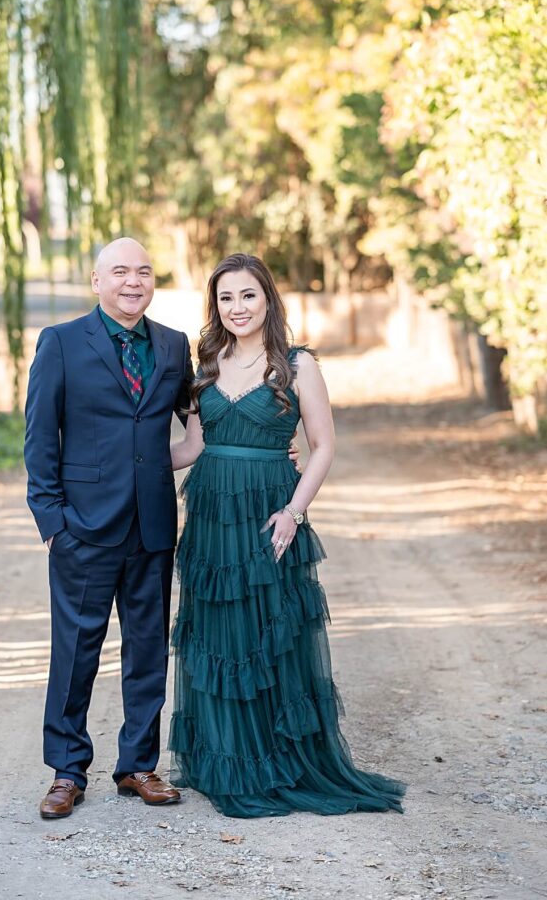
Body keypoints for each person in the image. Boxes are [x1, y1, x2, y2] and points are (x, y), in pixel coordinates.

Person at [168, 253, 406, 818]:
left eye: (248, 295)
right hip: (211, 512)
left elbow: (322, 445)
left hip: (271, 510)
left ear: (268, 299)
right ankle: (225, 758)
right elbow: (193, 447)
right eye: (226, 298)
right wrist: (126, 459)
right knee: (218, 634)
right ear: (215, 305)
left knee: (269, 638)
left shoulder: (296, 364)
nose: (237, 308)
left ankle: (276, 762)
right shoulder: (204, 363)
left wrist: (293, 512)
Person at [24, 238, 194, 816]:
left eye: (143, 272)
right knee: (75, 652)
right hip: (83, 531)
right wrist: (53, 523)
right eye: (120, 271)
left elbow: (201, 422)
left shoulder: (173, 346)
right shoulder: (62, 343)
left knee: (148, 650)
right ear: (96, 282)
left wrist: (270, 447)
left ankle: (138, 766)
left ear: (153, 282)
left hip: (152, 528)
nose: (133, 281)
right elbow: (41, 438)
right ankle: (67, 771)